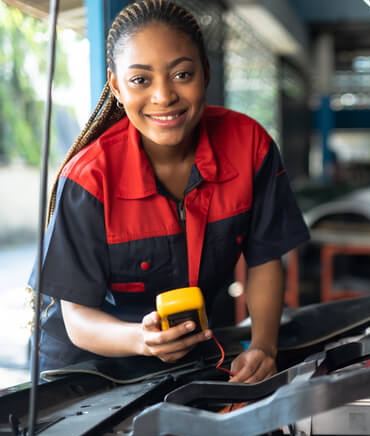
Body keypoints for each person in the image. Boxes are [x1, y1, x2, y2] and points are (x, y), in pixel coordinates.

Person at [31, 0, 309, 383]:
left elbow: (263, 260)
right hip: (83, 371)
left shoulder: (250, 147)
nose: (163, 96)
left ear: (205, 73)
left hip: (185, 355)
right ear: (116, 86)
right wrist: (141, 340)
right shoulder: (89, 178)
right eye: (141, 80)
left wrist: (263, 347)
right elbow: (77, 319)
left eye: (181, 74)